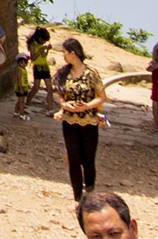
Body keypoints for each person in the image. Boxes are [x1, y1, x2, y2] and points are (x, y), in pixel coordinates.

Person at [54, 37, 106, 199]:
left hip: (89, 122)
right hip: (70, 122)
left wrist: (87, 106)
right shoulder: (63, 74)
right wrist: (64, 105)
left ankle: (89, 190)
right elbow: (58, 95)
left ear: (73, 53)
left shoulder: (91, 74)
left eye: (64, 52)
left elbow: (102, 97)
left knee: (88, 159)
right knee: (73, 158)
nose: (63, 56)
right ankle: (77, 196)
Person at [17, 26, 53, 118]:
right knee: (36, 87)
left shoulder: (41, 45)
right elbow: (33, 58)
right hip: (37, 67)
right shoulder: (32, 45)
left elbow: (43, 56)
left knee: (49, 88)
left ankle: (50, 109)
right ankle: (27, 104)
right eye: (43, 40)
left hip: (45, 66)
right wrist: (40, 50)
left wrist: (47, 50)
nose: (44, 42)